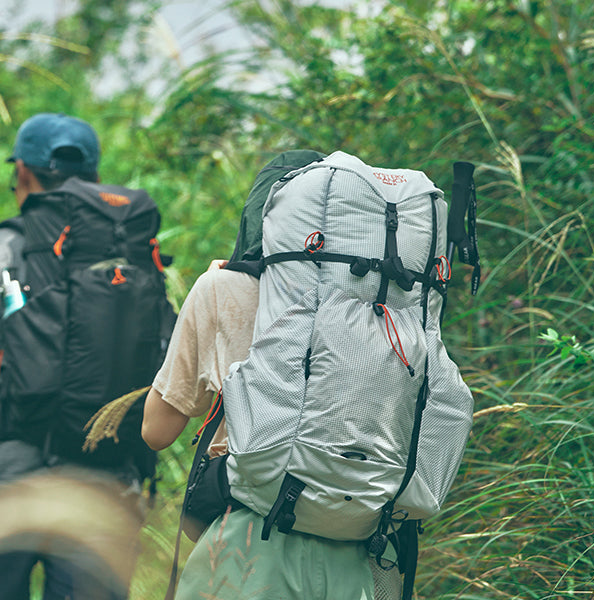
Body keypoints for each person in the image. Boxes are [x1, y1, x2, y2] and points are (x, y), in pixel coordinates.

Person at [141, 150, 402, 600]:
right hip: (362, 540)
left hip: (248, 540)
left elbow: (156, 431)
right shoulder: (387, 306)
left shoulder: (221, 288)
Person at [0, 113, 146, 600]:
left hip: (12, 462)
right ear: (96, 177)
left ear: (22, 172)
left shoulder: (6, 247)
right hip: (105, 466)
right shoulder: (134, 257)